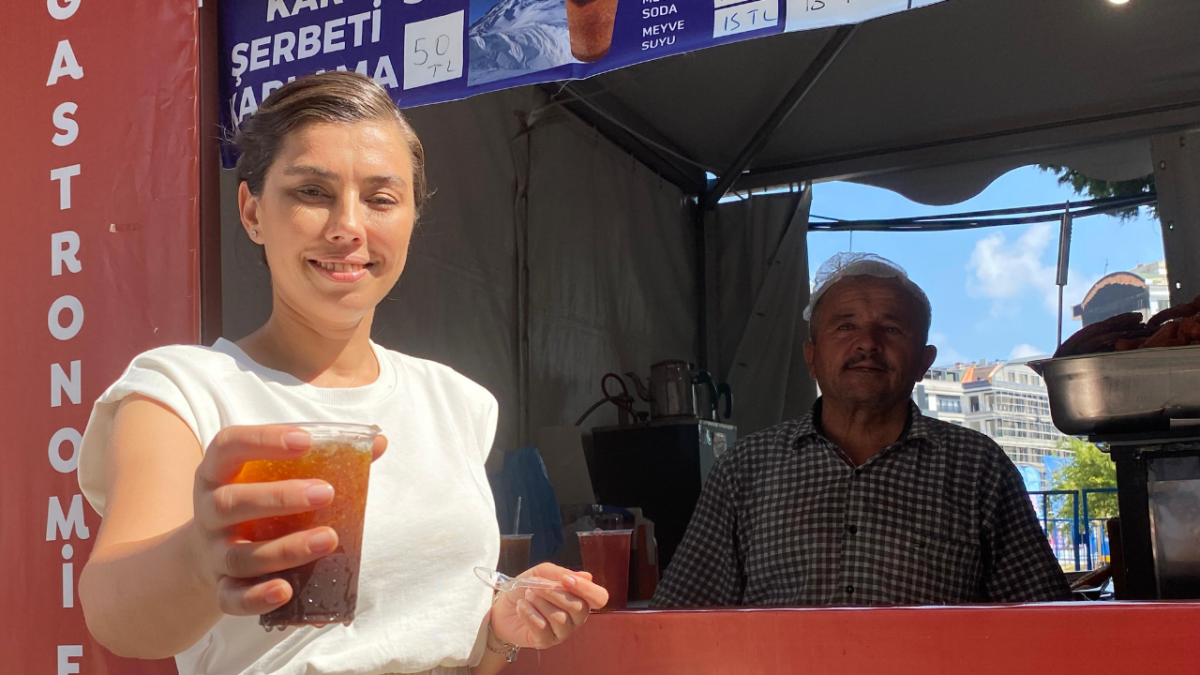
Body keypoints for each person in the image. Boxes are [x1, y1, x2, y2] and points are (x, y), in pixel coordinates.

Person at [76, 72, 607, 675]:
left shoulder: (456, 402)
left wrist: (497, 631)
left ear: (411, 218)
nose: (348, 226)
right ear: (252, 211)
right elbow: (115, 615)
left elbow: (418, 637)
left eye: (381, 199)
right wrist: (200, 555)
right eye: (312, 191)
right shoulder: (181, 390)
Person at [652, 253, 1072, 607]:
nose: (867, 343)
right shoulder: (745, 469)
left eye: (891, 328)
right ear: (811, 358)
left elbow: (1041, 619)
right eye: (845, 326)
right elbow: (683, 614)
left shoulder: (977, 467)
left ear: (923, 362)